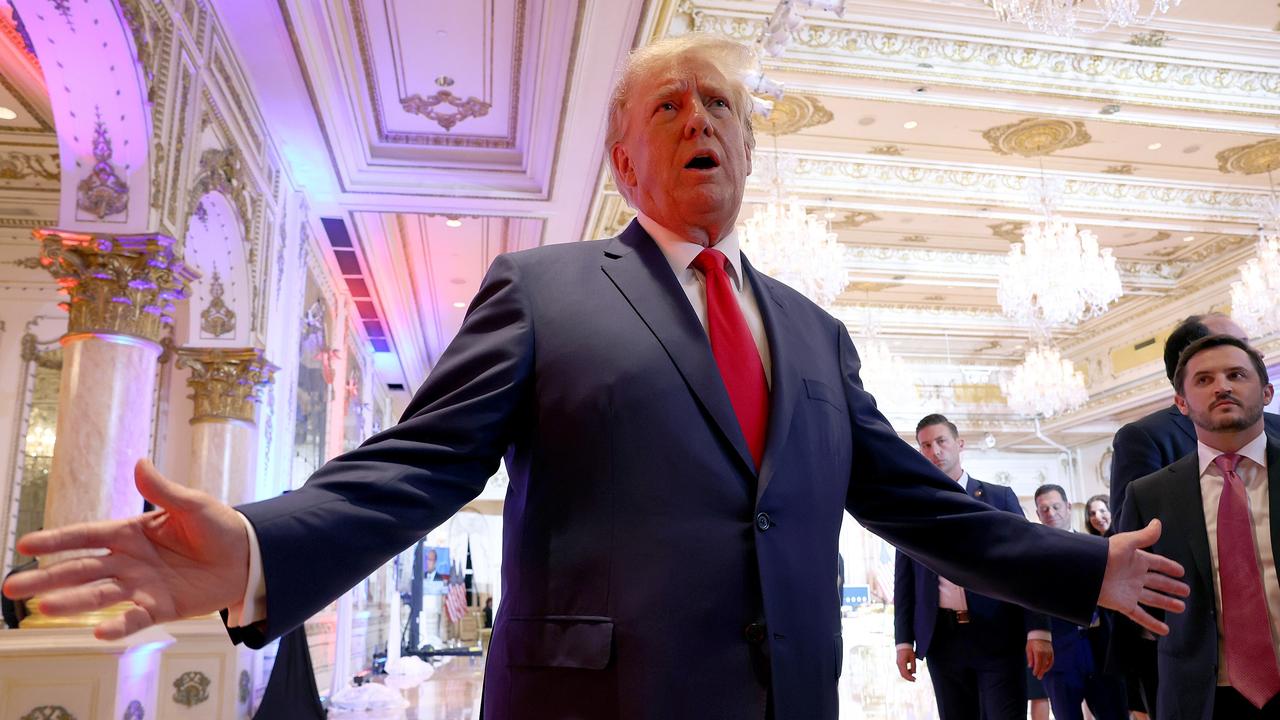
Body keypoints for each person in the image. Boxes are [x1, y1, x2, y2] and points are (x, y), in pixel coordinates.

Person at [3, 34, 1187, 720]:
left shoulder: (815, 333)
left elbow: (912, 502)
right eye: (666, 106)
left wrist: (1082, 564)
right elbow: (419, 466)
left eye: (716, 102)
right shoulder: (543, 287)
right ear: (626, 158)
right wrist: (262, 547)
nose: (697, 119)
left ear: (747, 148)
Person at [1108, 312, 1280, 716]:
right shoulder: (1148, 495)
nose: (1222, 386)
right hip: (1199, 698)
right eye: (1204, 380)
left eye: (1236, 375)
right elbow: (1136, 600)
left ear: (1268, 391)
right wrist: (1137, 697)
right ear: (1181, 402)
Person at [894, 414, 1054, 720]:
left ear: (959, 444)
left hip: (998, 634)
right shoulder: (913, 507)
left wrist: (1038, 629)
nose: (935, 451)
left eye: (941, 441)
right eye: (926, 446)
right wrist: (903, 641)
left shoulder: (998, 498)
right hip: (942, 639)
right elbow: (905, 580)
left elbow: (1028, 564)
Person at [1035, 484, 1130, 720]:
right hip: (1059, 653)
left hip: (1101, 648)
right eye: (1044, 509)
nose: (1050, 512)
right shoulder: (1031, 557)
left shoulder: (1096, 547)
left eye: (1055, 506)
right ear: (1037, 514)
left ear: (1068, 507)